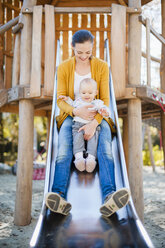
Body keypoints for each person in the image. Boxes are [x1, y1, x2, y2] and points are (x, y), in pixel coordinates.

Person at [45, 30, 130, 217]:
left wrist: (94, 123)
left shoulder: (101, 66)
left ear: (93, 49)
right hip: (71, 116)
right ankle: (58, 196)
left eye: (88, 52)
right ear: (72, 49)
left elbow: (105, 100)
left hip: (98, 115)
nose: (84, 56)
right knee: (64, 149)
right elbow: (60, 100)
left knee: (106, 148)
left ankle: (109, 196)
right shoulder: (64, 67)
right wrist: (75, 111)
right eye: (79, 52)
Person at [59, 77, 111, 173]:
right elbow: (72, 104)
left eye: (90, 93)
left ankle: (91, 159)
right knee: (77, 140)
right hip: (77, 126)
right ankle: (79, 158)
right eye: (83, 93)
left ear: (95, 92)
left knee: (93, 141)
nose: (86, 95)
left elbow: (104, 109)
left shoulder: (97, 102)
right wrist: (66, 99)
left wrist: (105, 112)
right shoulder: (78, 101)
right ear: (79, 92)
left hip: (92, 127)